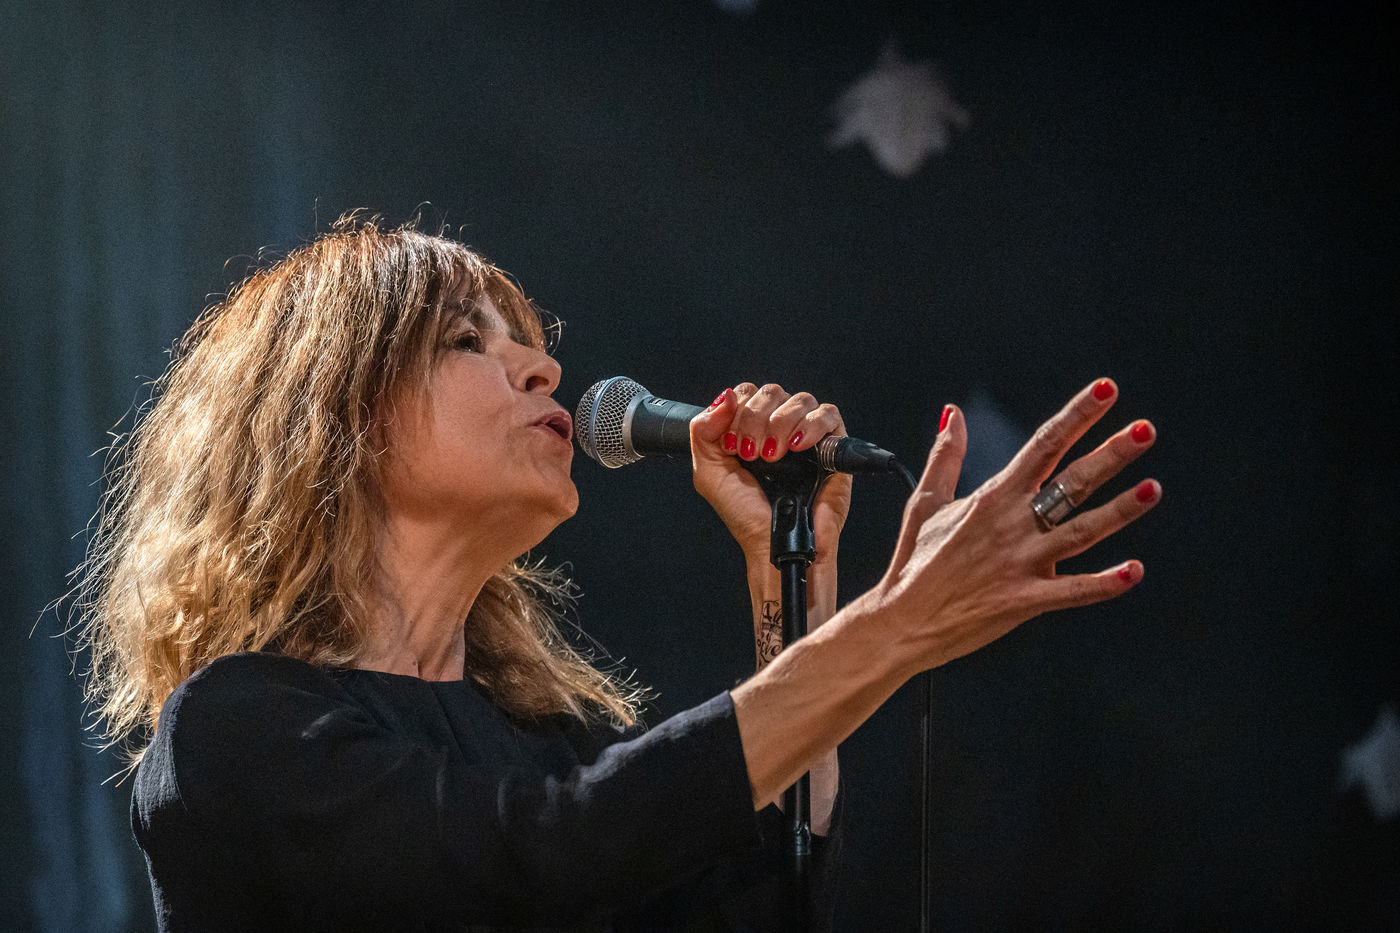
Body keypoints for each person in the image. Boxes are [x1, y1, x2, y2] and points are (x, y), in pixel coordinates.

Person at [75, 217, 1160, 931]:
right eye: (466, 341)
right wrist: (898, 621)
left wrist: (796, 581)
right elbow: (539, 857)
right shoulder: (238, 730)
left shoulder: (555, 746)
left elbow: (747, 907)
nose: (542, 365)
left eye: (525, 339)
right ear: (333, 416)